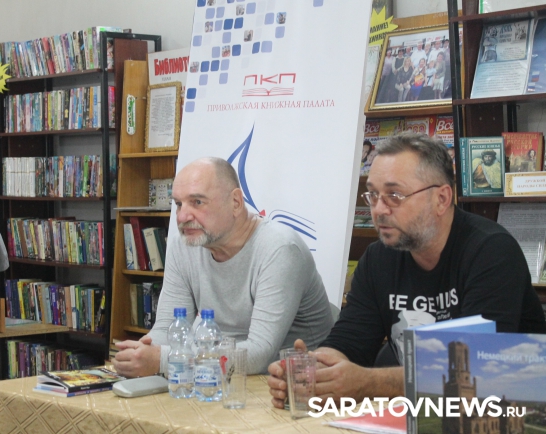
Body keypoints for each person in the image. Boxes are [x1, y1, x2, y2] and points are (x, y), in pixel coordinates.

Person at [268, 132, 546, 404]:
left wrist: (368, 383)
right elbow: (349, 343)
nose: (379, 210)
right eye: (373, 195)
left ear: (441, 199)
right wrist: (313, 372)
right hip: (420, 413)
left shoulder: (491, 252)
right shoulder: (378, 258)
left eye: (394, 195)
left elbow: (478, 368)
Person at [113, 157, 334, 377]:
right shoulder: (185, 245)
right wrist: (144, 352)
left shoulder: (280, 249)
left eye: (197, 202)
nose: (182, 216)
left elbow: (259, 354)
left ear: (235, 203)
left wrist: (163, 359)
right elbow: (167, 329)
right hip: (213, 375)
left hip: (288, 382)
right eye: (179, 204)